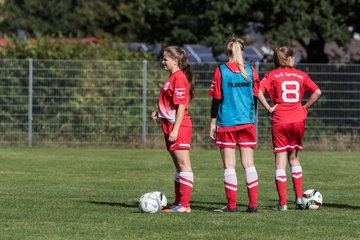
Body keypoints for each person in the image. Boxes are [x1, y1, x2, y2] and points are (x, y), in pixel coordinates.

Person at [256, 46, 321, 211]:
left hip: (280, 119)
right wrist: (304, 107)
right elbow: (317, 92)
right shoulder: (301, 75)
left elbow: (257, 91)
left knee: (280, 161)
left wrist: (269, 108)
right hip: (298, 119)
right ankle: (299, 199)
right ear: (290, 58)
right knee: (294, 158)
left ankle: (283, 203)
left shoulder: (271, 75)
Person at [209, 37, 260, 213]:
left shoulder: (221, 70)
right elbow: (255, 98)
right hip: (247, 122)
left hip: (227, 123)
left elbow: (216, 99)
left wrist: (212, 122)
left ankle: (231, 206)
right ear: (242, 50)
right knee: (249, 164)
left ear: (226, 52)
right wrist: (250, 116)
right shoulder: (251, 70)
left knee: (229, 165)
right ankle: (253, 205)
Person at [151, 46, 195, 213]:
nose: (163, 62)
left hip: (179, 126)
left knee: (184, 165)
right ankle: (178, 203)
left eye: (165, 59)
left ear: (175, 61)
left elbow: (181, 106)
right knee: (178, 166)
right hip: (169, 125)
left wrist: (176, 130)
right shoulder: (172, 77)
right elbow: (170, 104)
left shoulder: (179, 78)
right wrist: (159, 113)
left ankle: (184, 205)